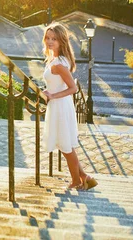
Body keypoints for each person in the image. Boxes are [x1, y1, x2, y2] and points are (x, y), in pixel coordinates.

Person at [42, 22, 98, 191]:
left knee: (66, 147)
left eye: (54, 39)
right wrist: (50, 91)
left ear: (62, 41)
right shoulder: (55, 59)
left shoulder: (58, 63)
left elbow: (73, 88)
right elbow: (58, 84)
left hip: (60, 107)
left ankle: (76, 180)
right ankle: (85, 177)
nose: (50, 42)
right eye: (48, 38)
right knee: (65, 144)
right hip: (59, 105)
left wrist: (52, 95)